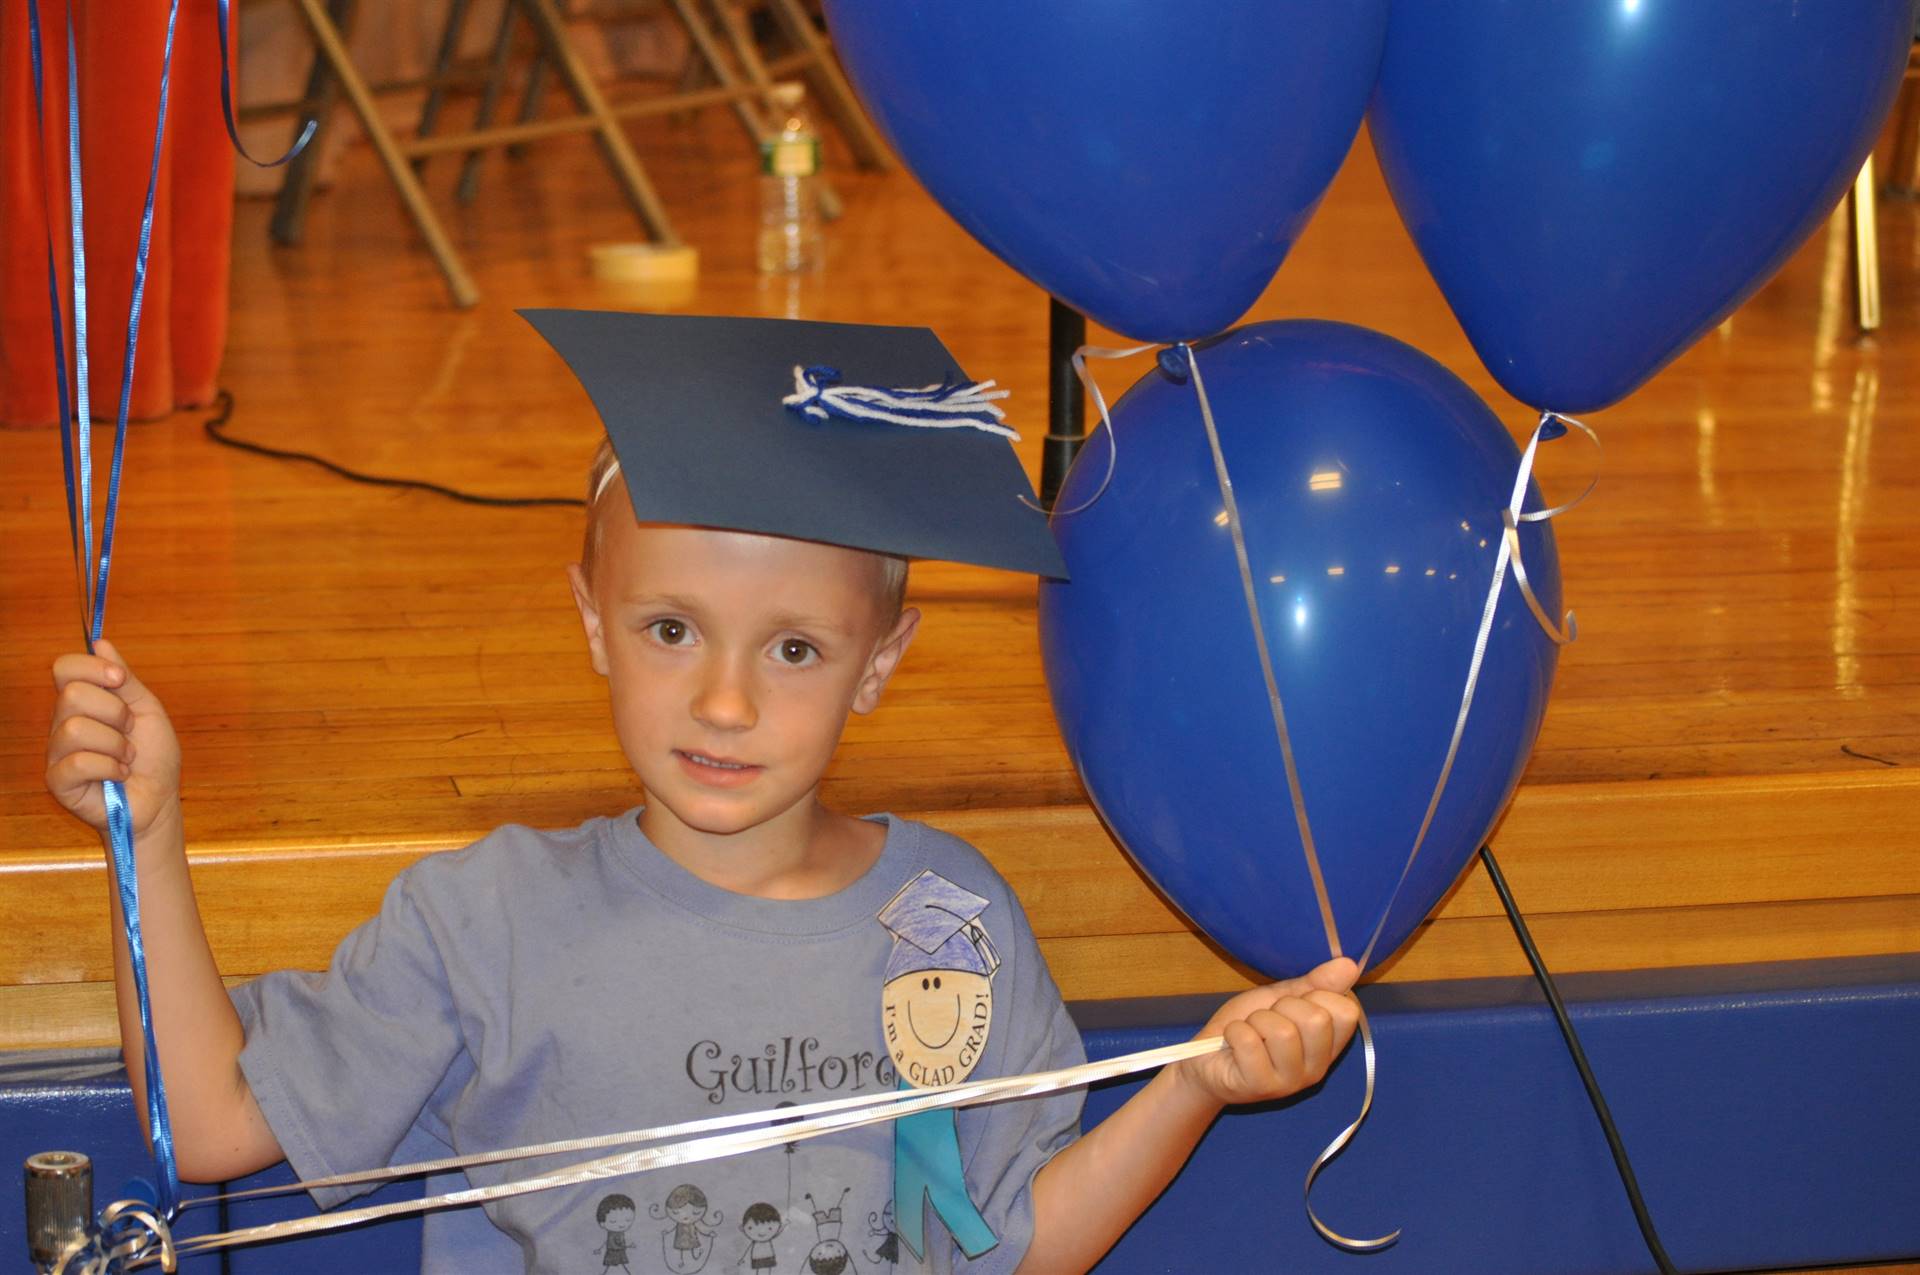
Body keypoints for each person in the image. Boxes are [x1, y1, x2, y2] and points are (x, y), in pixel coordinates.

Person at [44, 311, 1361, 1274]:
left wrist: (1197, 1082)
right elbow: (211, 1125)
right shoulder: (488, 916)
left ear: (877, 664)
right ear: (593, 620)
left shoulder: (946, 918)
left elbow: (1009, 1246)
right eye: (672, 629)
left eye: (794, 649)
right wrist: (145, 829)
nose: (726, 703)